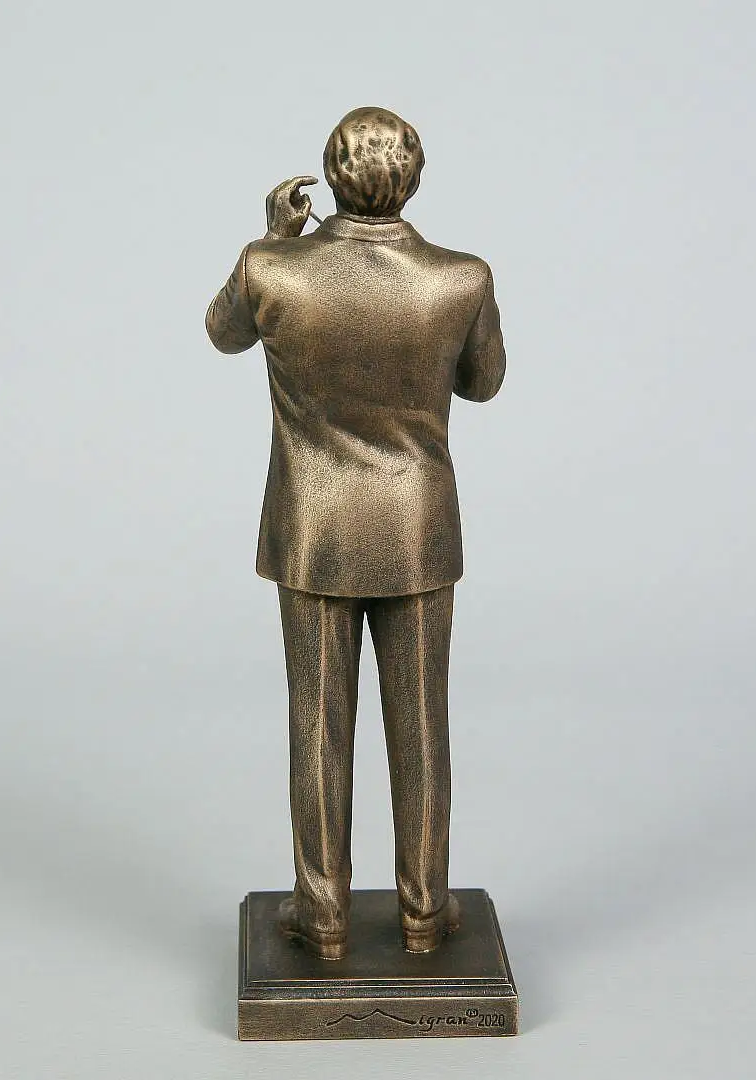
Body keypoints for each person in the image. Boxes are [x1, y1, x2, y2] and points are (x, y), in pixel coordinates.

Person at [206, 106, 505, 959]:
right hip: (416, 530)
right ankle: (425, 911)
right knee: (421, 726)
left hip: (314, 526)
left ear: (331, 176)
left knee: (317, 724)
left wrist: (274, 240)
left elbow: (223, 332)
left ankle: (323, 911)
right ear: (415, 177)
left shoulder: (272, 268)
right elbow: (484, 382)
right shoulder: (461, 279)